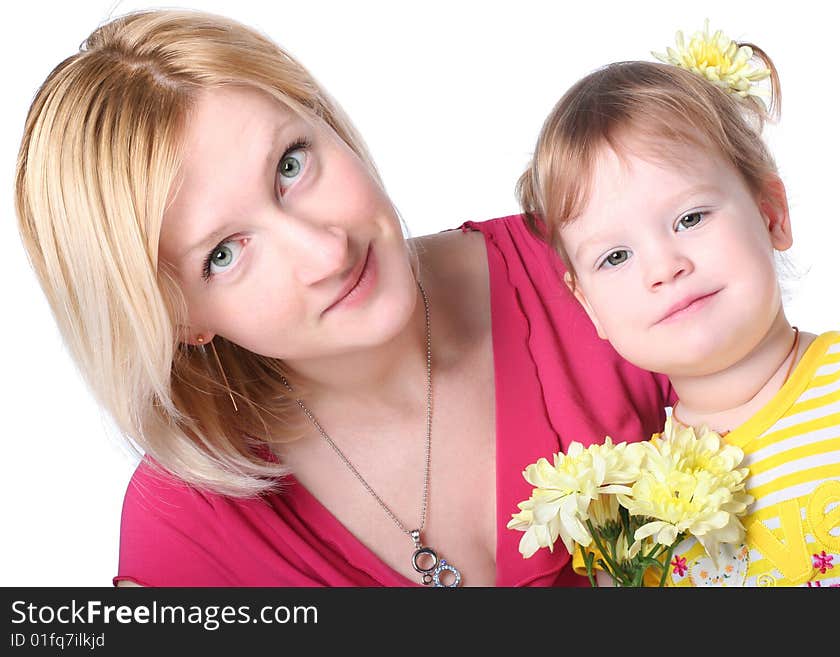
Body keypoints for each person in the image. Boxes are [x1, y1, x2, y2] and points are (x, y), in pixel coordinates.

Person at [14, 8, 672, 587]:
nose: (326, 253)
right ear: (180, 318)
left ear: (321, 118)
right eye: (224, 253)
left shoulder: (598, 264)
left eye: (291, 165)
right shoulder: (187, 533)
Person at [516, 23, 840, 586]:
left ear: (771, 214)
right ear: (588, 307)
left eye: (690, 218)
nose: (665, 268)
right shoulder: (621, 519)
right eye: (616, 257)